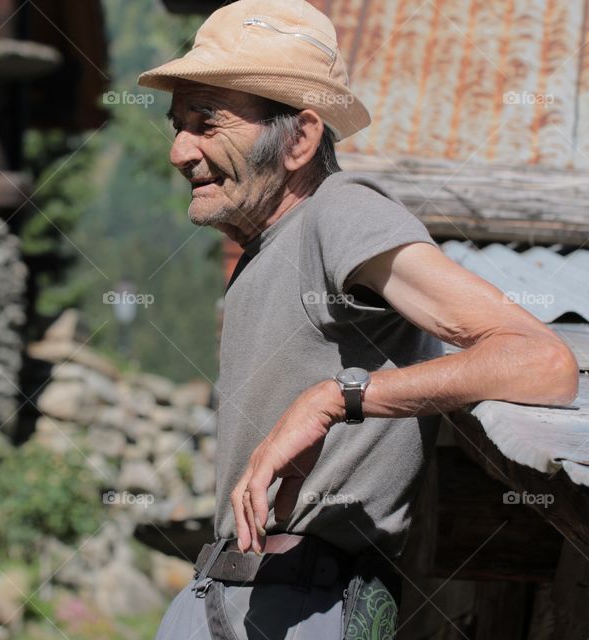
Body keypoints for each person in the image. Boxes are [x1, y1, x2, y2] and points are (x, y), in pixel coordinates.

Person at [137, 0, 580, 637]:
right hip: (227, 592)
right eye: (179, 125)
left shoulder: (340, 212)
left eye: (207, 123)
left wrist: (333, 399)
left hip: (301, 602)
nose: (180, 151)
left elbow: (542, 361)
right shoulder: (267, 243)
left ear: (299, 138)